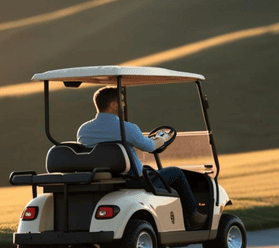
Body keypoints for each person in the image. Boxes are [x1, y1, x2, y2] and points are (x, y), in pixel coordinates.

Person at [77, 87, 207, 229]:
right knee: (176, 172)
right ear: (113, 104)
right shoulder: (127, 128)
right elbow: (150, 146)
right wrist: (162, 139)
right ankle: (194, 216)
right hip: (135, 182)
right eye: (121, 101)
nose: (124, 105)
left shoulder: (84, 130)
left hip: (104, 178)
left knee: (149, 170)